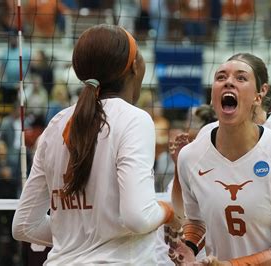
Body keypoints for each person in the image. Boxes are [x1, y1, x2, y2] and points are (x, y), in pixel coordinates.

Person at [12, 24, 179, 264]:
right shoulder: (134, 119)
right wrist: (170, 211)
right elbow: (138, 218)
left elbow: (24, 226)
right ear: (134, 66)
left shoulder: (55, 124)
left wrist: (77, 235)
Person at [170, 54, 271, 265]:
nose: (229, 81)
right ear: (213, 96)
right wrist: (188, 247)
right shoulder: (190, 157)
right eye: (221, 77)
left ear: (258, 96)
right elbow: (196, 221)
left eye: (241, 78)